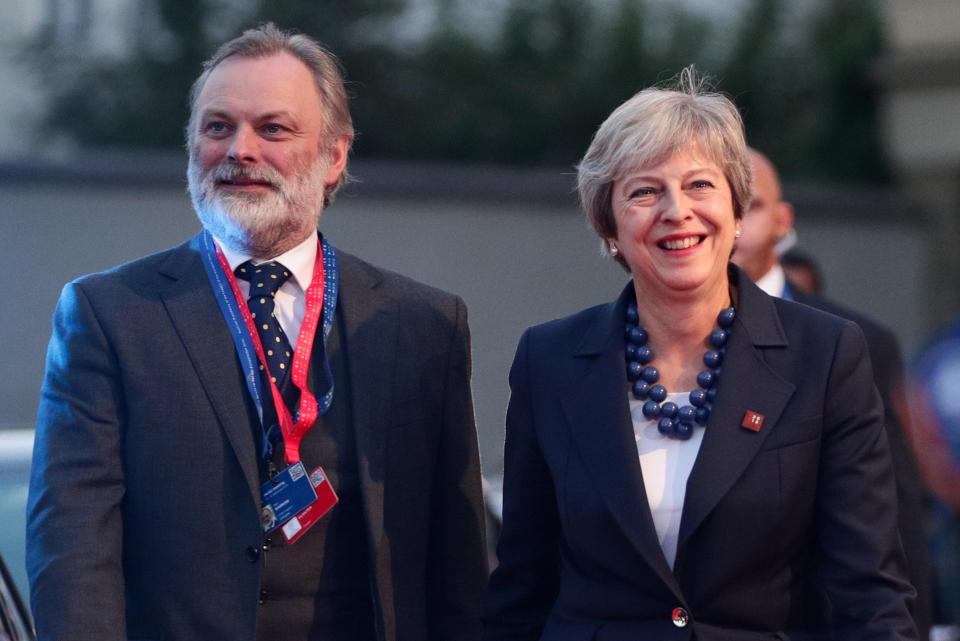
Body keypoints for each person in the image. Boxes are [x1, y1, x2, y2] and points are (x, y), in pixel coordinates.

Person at [26, 23, 486, 641]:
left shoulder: (423, 326)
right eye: (218, 126)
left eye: (272, 129)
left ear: (335, 156)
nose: (240, 149)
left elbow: (456, 563)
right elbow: (74, 544)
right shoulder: (110, 315)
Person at [483, 68, 917, 640]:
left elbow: (869, 592)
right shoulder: (550, 360)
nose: (676, 210)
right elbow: (523, 587)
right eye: (644, 191)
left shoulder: (826, 354)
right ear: (608, 225)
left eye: (700, 186)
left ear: (737, 212)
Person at [732, 148, 932, 638]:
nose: (734, 226)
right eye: (725, 206)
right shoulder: (653, 341)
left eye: (750, 206)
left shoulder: (853, 341)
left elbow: (893, 511)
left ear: (783, 221)